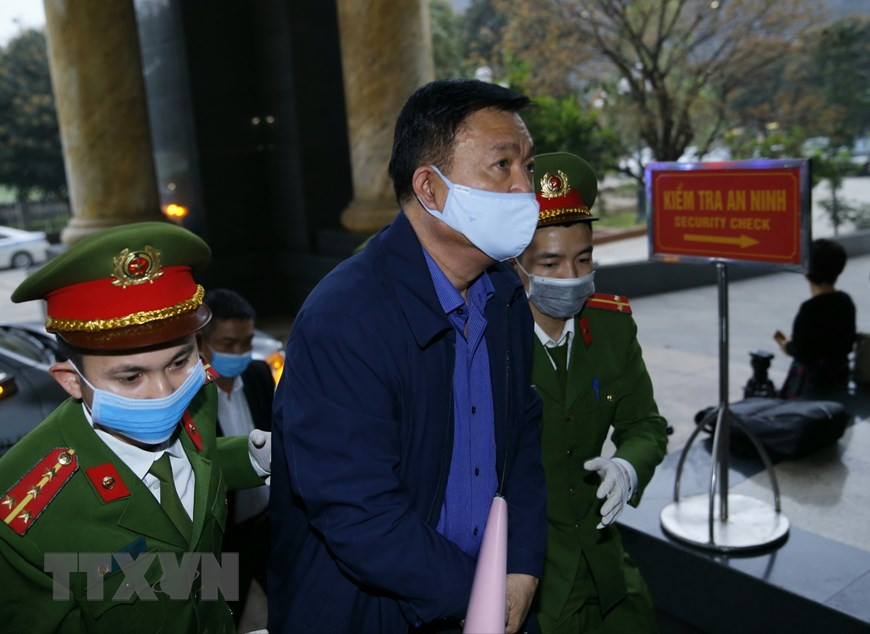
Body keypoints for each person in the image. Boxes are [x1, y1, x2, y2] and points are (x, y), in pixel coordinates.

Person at [268, 79, 547, 634]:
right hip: (376, 611)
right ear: (431, 188)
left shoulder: (505, 295)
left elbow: (521, 442)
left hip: (489, 597)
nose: (525, 188)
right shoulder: (344, 319)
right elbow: (359, 512)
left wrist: (520, 568)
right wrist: (478, 594)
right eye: (502, 165)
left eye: (528, 166)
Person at [0, 222, 271, 633]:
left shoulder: (199, 398)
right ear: (71, 380)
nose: (165, 394)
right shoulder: (25, 516)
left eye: (179, 362)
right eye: (130, 377)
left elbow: (194, 466)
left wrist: (250, 457)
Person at [511, 152, 668, 634]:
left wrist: (627, 468)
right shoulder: (492, 342)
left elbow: (646, 425)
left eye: (584, 259)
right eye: (551, 262)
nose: (571, 276)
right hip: (531, 581)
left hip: (607, 571)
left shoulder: (610, 326)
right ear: (517, 264)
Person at [199, 287, 273, 627]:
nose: (240, 353)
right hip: (224, 541)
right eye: (228, 344)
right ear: (201, 344)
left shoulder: (258, 376)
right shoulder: (191, 399)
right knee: (225, 617)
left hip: (268, 527)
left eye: (247, 342)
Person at [775, 238, 856, 400]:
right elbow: (847, 342)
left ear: (806, 273)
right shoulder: (845, 301)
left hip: (811, 383)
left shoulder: (809, 309)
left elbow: (802, 352)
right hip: (839, 376)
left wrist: (787, 345)